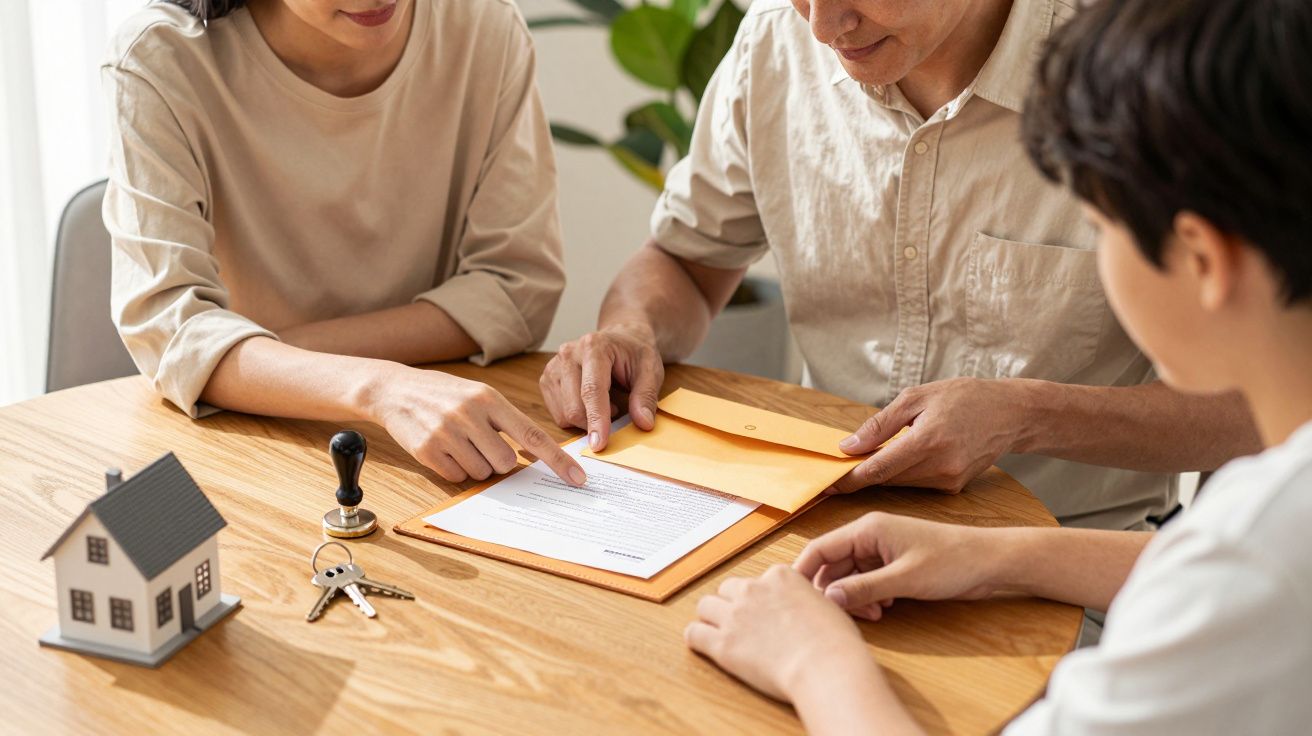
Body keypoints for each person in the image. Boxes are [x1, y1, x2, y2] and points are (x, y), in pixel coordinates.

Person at [684, 0, 1312, 731]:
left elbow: (1232, 579)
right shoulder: (1266, 519)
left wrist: (814, 663)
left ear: (1202, 258)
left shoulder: (1261, 548)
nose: (824, 26)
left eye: (1099, 225)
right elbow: (1211, 574)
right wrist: (995, 555)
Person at [540, 0, 1263, 537]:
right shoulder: (777, 41)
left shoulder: (1146, 73)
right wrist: (632, 331)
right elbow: (686, 260)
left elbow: (1264, 409)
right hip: (807, 532)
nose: (823, 27)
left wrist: (1024, 417)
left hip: (1065, 561)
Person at [103, 0, 586, 486]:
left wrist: (257, 357)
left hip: (438, 435)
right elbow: (171, 333)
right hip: (252, 442)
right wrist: (380, 386)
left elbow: (516, 289)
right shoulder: (160, 59)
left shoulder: (482, 26)